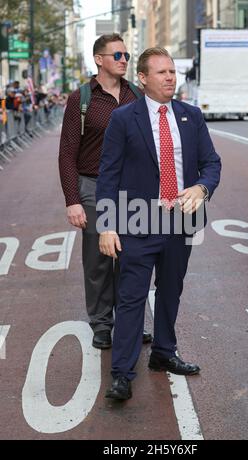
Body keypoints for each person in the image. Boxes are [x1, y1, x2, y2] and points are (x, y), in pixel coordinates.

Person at [96, 47, 221, 400]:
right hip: (137, 221)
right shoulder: (123, 119)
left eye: (172, 72)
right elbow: (108, 175)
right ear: (143, 78)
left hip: (181, 220)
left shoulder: (191, 116)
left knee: (171, 289)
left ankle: (164, 352)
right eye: (162, 72)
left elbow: (212, 163)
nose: (170, 77)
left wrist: (201, 187)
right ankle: (122, 372)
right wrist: (107, 225)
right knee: (132, 297)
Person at [59, 34, 152, 350]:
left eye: (126, 54)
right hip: (94, 187)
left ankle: (129, 322)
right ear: (99, 59)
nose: (124, 59)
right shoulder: (81, 99)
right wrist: (73, 200)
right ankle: (101, 324)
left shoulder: (138, 96)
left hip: (133, 189)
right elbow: (67, 153)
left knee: (131, 259)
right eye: (117, 55)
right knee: (99, 260)